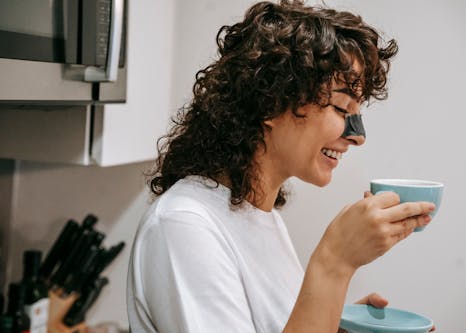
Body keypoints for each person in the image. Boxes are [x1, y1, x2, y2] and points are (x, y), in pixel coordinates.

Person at [126, 1, 436, 332]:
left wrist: (336, 324)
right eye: (343, 108)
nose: (357, 137)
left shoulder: (263, 219)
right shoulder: (184, 225)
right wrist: (334, 263)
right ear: (271, 102)